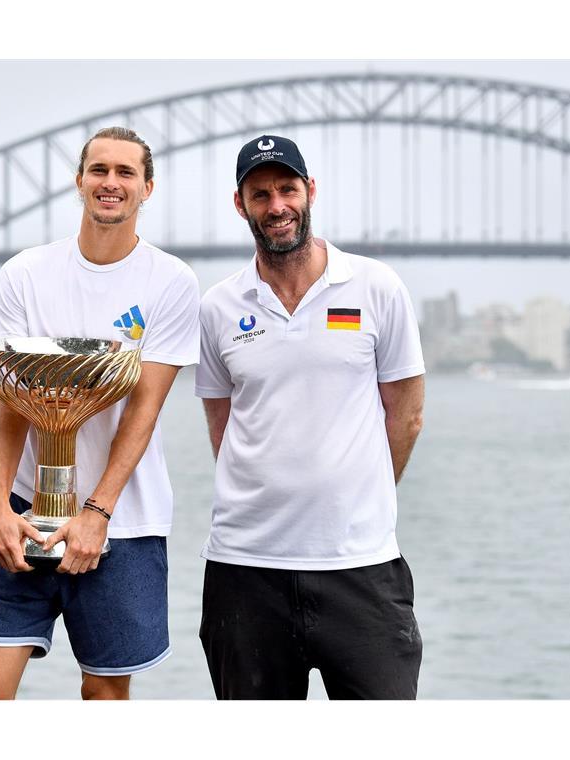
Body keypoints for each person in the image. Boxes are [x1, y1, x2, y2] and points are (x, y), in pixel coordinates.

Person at [0, 127, 200, 700]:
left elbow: (143, 410)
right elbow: (9, 400)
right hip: (25, 510)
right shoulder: (26, 273)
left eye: (125, 173)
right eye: (99, 170)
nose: (110, 183)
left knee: (103, 696)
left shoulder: (171, 281)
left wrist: (97, 512)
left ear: (147, 188)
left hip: (123, 519)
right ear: (79, 181)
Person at [195, 135, 426, 700]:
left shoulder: (376, 287)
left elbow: (407, 415)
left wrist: (354, 493)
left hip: (361, 567)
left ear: (310, 191)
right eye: (260, 194)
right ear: (240, 204)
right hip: (244, 570)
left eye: (287, 189)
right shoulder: (218, 307)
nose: (277, 206)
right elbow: (223, 425)